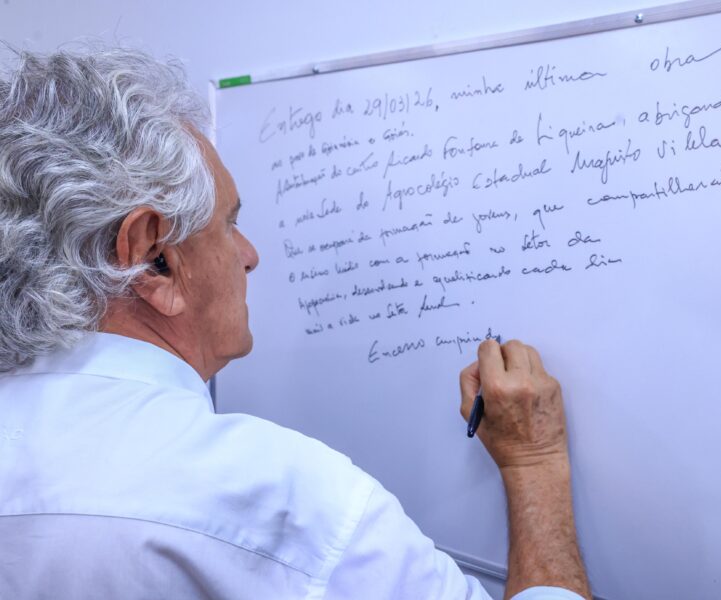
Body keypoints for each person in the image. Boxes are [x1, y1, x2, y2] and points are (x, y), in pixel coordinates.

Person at [0, 47, 591, 600]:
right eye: (229, 225)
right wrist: (534, 464)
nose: (250, 255)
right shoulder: (282, 503)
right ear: (154, 259)